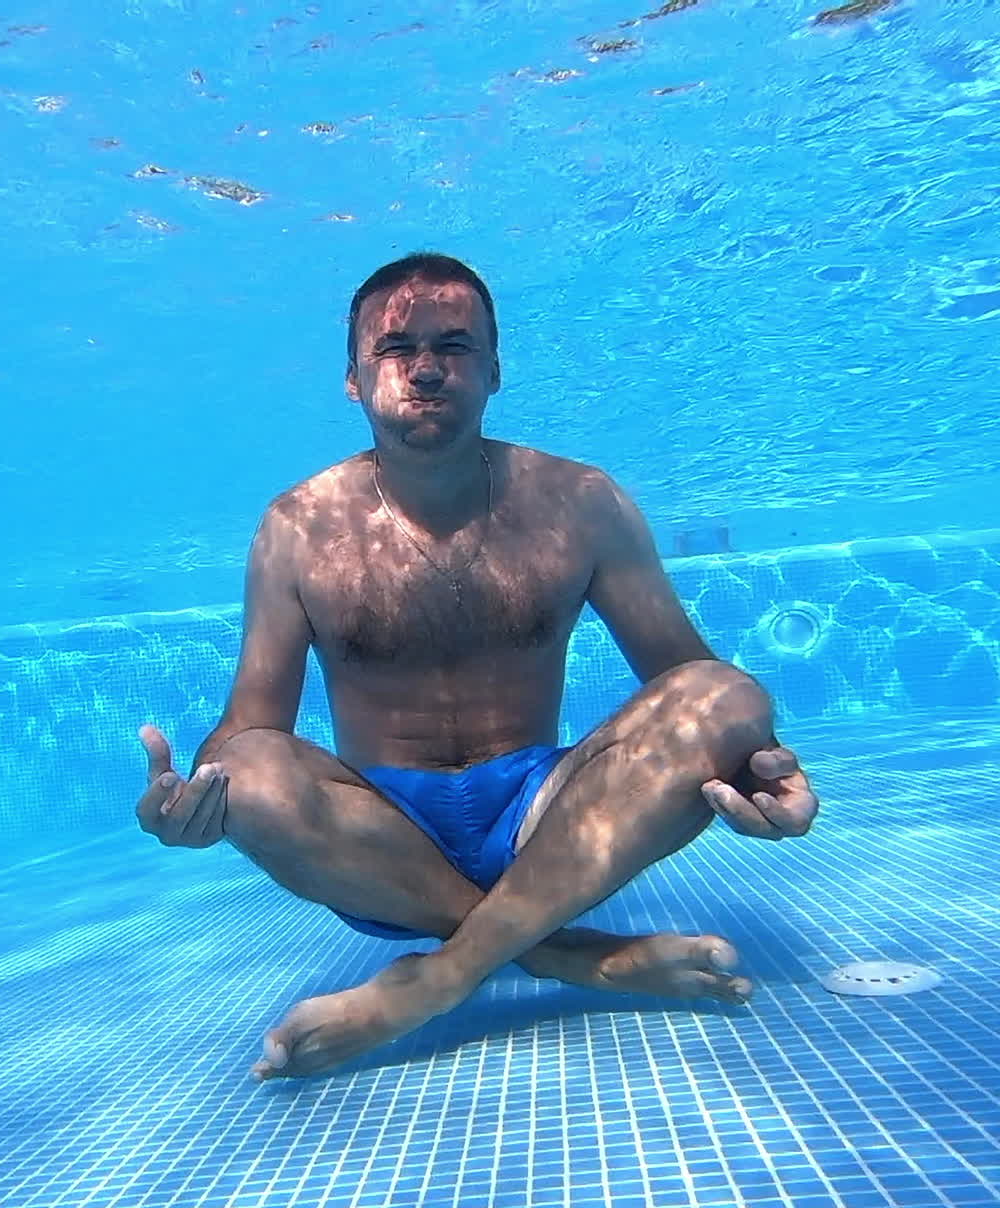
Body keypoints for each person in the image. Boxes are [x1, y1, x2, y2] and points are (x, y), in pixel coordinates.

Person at [136, 253, 819, 1082]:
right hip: (379, 845)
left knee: (728, 698)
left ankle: (435, 980)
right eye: (395, 349)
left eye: (454, 346)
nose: (425, 369)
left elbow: (689, 682)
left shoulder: (580, 502)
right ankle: (571, 955)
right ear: (353, 379)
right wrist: (194, 802)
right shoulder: (297, 527)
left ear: (494, 370)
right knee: (244, 769)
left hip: (550, 822)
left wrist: (753, 762)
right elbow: (251, 725)